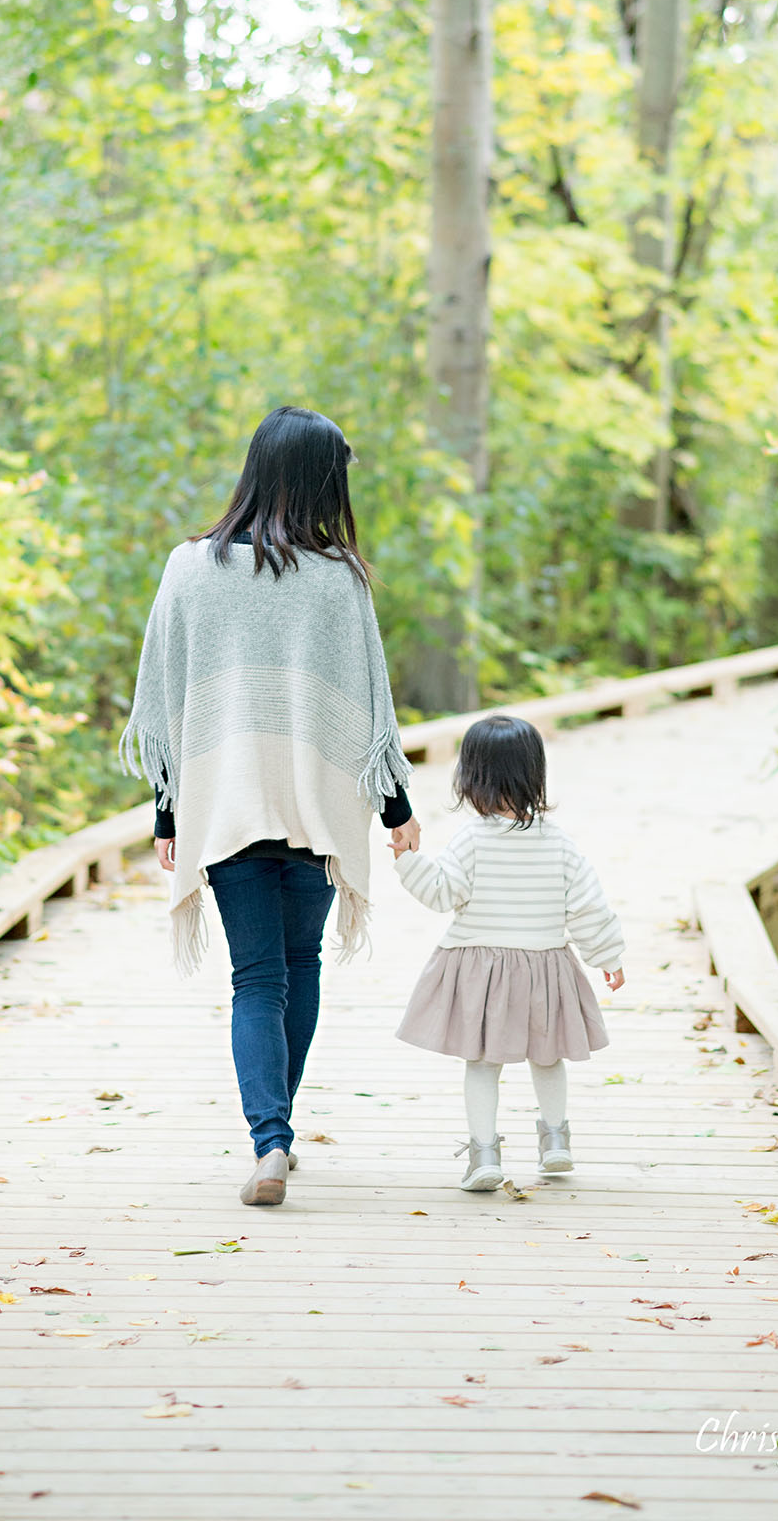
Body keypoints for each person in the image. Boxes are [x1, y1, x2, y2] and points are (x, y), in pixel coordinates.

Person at [119, 406, 419, 1207]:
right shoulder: (337, 577)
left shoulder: (190, 568)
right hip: (317, 807)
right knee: (300, 966)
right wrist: (397, 814)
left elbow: (169, 702)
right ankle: (278, 1132)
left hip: (225, 803)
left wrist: (167, 814)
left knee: (257, 977)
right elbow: (370, 712)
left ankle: (270, 1141)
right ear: (320, 480)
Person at [392, 714, 625, 1191]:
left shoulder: (472, 840)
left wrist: (407, 858)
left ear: (471, 778)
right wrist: (607, 956)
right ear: (534, 774)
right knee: (548, 1057)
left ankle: (483, 1155)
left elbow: (440, 893)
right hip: (545, 967)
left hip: (482, 971)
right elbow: (587, 906)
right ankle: (556, 1142)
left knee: (481, 1063)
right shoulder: (558, 843)